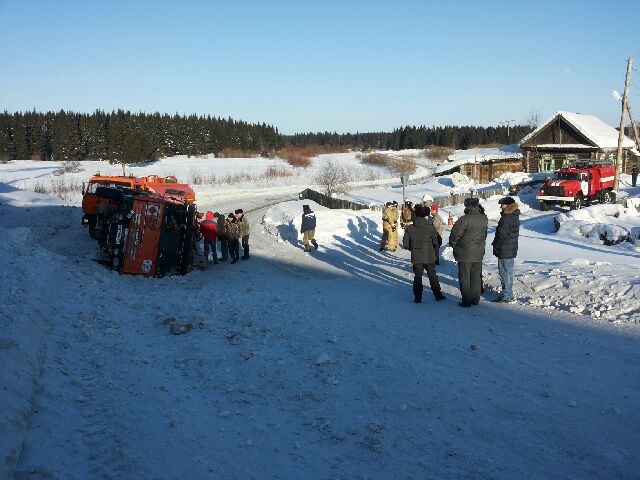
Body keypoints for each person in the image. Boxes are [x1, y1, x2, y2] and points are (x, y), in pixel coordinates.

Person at [448, 197, 488, 308]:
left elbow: (455, 235)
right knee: (475, 276)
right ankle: (475, 299)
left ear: (467, 206)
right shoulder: (484, 218)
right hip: (479, 250)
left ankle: (466, 300)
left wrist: (453, 244)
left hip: (464, 252)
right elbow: (484, 234)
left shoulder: (464, 219)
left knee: (465, 277)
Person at [403, 204, 445, 303]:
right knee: (432, 276)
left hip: (416, 257)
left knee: (417, 277)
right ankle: (438, 295)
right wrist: (433, 249)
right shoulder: (430, 228)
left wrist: (413, 249)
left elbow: (405, 244)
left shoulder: (410, 228)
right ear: (425, 216)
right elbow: (437, 242)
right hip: (429, 256)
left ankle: (418, 297)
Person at [492, 196, 520, 303]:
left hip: (505, 249)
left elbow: (501, 234)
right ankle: (508, 293)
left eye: (502, 204)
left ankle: (506, 295)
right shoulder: (514, 215)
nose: (500, 206)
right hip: (511, 248)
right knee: (509, 272)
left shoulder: (506, 217)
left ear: (507, 205)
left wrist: (496, 245)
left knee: (504, 272)